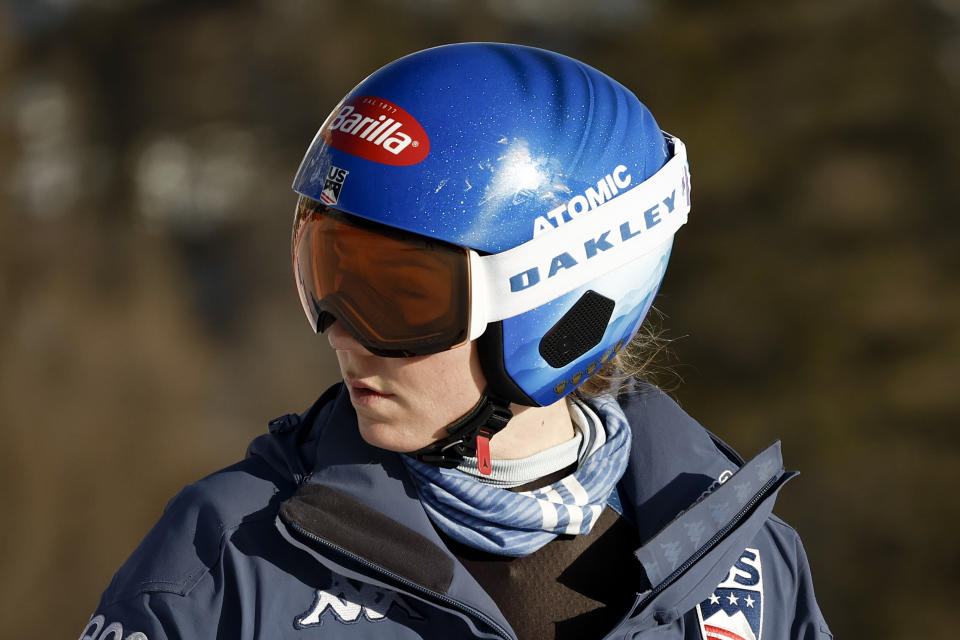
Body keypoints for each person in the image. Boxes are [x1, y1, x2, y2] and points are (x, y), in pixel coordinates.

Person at [80, 43, 832, 640]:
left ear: (562, 311)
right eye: (327, 273)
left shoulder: (740, 569)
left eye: (401, 297)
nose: (342, 333)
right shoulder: (230, 558)